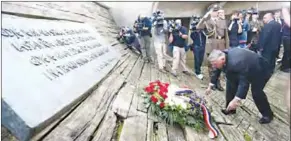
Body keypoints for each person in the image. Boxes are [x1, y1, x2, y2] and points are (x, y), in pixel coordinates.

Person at [206, 48, 274, 124]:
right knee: (230, 82)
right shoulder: (223, 55)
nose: (213, 66)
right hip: (245, 68)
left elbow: (244, 83)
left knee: (256, 92)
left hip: (260, 70)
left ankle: (268, 115)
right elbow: (216, 69)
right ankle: (230, 109)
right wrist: (211, 84)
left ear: (222, 59)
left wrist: (236, 100)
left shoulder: (237, 63)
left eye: (214, 64)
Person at [196, 5, 229, 91]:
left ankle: (218, 83)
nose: (216, 12)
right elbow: (198, 27)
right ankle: (212, 82)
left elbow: (226, 34)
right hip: (211, 44)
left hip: (221, 44)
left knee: (220, 65)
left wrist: (227, 47)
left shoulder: (222, 20)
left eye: (217, 11)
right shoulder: (207, 21)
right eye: (214, 11)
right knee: (212, 65)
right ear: (210, 12)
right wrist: (204, 17)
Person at [280, 7, 291, 72]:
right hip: (287, 37)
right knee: (288, 52)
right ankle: (284, 67)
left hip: (288, 36)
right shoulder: (287, 16)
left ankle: (287, 66)